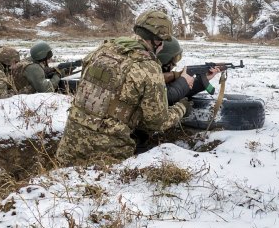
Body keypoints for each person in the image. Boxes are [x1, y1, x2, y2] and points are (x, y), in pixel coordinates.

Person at [55, 10, 191, 165]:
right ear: (158, 41)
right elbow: (157, 122)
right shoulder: (148, 67)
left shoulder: (103, 49)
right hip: (106, 156)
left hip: (69, 145)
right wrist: (182, 107)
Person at [158, 37, 220, 105]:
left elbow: (182, 91)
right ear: (164, 59)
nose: (175, 64)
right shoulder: (152, 78)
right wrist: (183, 80)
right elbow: (168, 97)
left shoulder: (160, 76)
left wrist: (202, 80)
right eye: (175, 59)